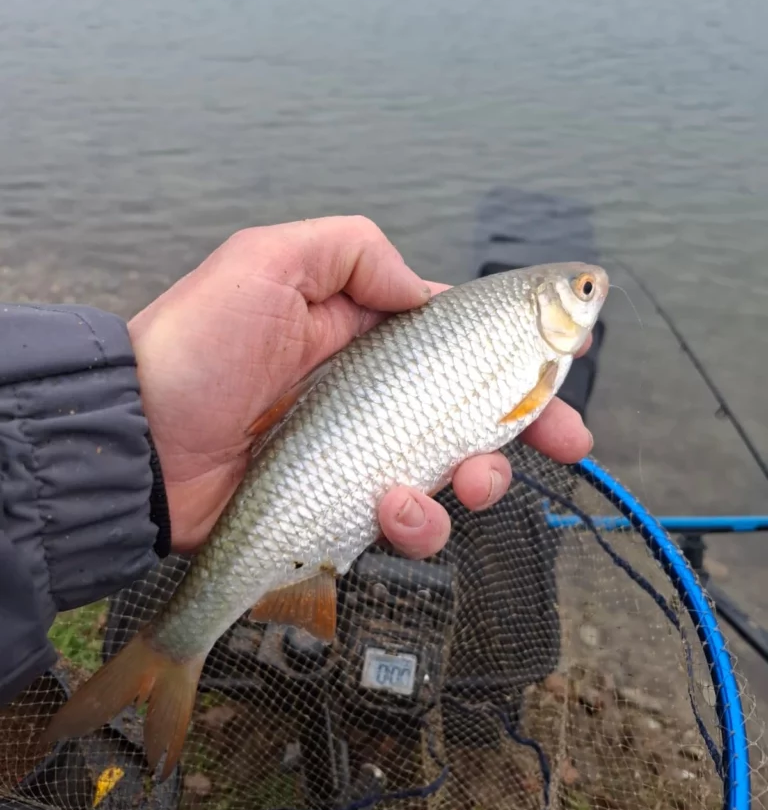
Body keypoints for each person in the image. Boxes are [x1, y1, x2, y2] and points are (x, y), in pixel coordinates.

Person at [0, 215, 592, 707]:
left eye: (585, 290)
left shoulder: (508, 332)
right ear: (543, 304)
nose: (590, 293)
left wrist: (131, 436)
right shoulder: (525, 348)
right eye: (582, 291)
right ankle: (174, 648)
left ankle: (174, 650)